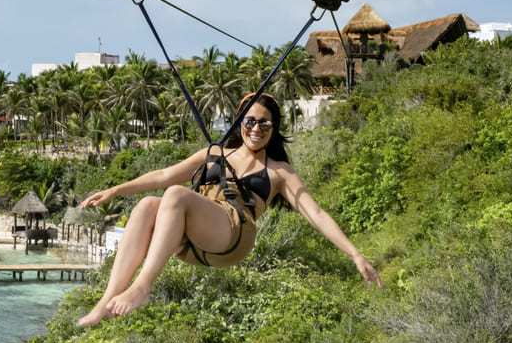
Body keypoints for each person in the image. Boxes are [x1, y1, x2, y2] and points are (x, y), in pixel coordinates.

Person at [76, 92, 380, 327]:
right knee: (146, 205)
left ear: (274, 128)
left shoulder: (278, 171)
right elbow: (164, 174)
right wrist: (116, 189)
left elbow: (316, 213)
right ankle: (105, 303)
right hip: (194, 239)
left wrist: (354, 254)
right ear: (240, 123)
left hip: (234, 235)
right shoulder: (215, 153)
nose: (256, 129)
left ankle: (143, 286)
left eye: (264, 123)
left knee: (176, 195)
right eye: (250, 121)